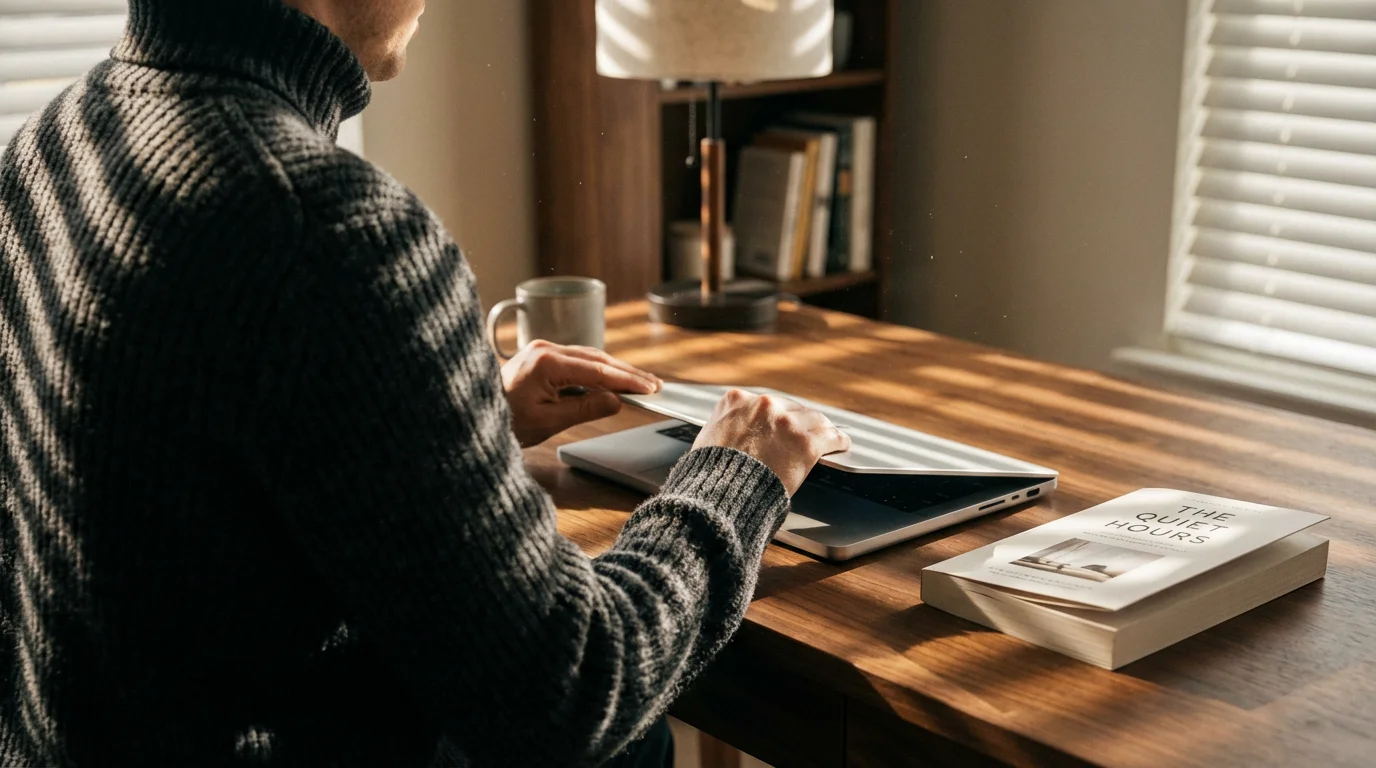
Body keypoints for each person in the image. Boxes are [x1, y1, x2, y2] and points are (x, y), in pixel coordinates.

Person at [0, 0, 851, 765]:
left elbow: (179, 482)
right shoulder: (329, 223)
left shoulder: (53, 142)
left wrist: (446, 412)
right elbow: (568, 692)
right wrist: (739, 474)